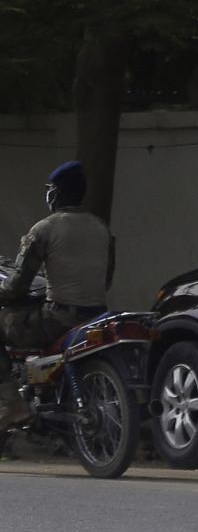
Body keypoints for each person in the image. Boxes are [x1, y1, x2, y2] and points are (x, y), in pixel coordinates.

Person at [1, 162, 115, 423]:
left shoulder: (44, 229)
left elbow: (18, 284)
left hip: (58, 320)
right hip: (96, 316)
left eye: (50, 190)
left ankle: (11, 403)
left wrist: (4, 294)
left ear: (56, 194)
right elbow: (105, 279)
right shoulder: (102, 229)